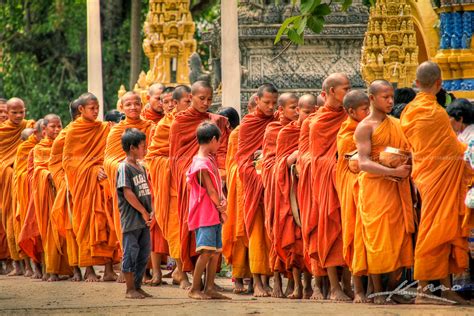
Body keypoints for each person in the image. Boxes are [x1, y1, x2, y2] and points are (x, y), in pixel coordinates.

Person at [400, 61, 472, 305]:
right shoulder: (436, 113)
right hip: (439, 176)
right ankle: (422, 291)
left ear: (417, 83)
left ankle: (445, 289)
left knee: (439, 229)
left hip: (426, 176)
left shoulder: (409, 111)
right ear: (439, 84)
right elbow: (453, 149)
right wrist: (468, 150)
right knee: (434, 230)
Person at [355, 80, 415, 304]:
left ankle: (392, 289)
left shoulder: (397, 123)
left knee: (398, 238)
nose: (390, 101)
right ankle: (377, 290)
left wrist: (405, 167)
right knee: (377, 238)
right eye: (385, 97)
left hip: (397, 188)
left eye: (392, 97)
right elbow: (363, 163)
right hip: (375, 187)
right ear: (371, 98)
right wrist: (394, 171)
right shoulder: (365, 127)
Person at [103, 91, 164, 285]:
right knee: (129, 234)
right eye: (128, 104)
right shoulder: (116, 131)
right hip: (128, 186)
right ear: (121, 107)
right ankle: (128, 274)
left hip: (147, 185)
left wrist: (146, 164)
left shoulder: (150, 126)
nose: (133, 108)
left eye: (137, 103)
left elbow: (153, 152)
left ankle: (143, 273)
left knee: (146, 235)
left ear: (142, 104)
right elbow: (109, 160)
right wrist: (130, 166)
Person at [169, 81, 230, 274]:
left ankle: (208, 280)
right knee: (195, 231)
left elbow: (222, 150)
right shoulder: (179, 122)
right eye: (201, 98)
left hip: (210, 177)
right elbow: (175, 157)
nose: (206, 103)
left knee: (211, 237)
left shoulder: (215, 121)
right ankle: (190, 276)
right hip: (193, 182)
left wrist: (219, 172)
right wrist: (194, 172)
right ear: (190, 98)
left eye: (209, 99)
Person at [63, 92, 119, 282]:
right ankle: (89, 270)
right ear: (81, 109)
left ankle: (109, 268)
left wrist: (104, 167)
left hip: (103, 185)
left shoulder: (103, 128)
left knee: (108, 225)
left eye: (97, 108)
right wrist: (93, 170)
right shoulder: (73, 131)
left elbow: (109, 152)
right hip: (84, 186)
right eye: (92, 108)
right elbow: (70, 162)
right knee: (86, 226)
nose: (96, 112)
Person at [307, 73, 351, 301]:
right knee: (330, 232)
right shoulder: (317, 122)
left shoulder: (350, 116)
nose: (349, 91)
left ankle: (349, 285)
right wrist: (338, 163)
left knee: (349, 232)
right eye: (346, 88)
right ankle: (334, 287)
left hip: (348, 182)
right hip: (327, 183)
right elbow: (317, 159)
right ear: (332, 91)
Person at [145, 85, 192, 289]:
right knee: (176, 228)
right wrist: (176, 165)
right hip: (171, 184)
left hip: (194, 184)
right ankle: (181, 272)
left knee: (194, 230)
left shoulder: (201, 122)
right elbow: (153, 157)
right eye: (186, 102)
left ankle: (190, 272)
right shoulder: (165, 125)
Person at [235, 83, 278, 297]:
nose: (271, 107)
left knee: (271, 234)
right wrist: (256, 174)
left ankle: (267, 280)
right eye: (267, 102)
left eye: (274, 103)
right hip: (254, 183)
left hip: (271, 183)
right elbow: (242, 159)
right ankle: (257, 281)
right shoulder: (249, 123)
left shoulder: (277, 122)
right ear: (257, 101)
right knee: (257, 233)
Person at [273, 93, 317, 299]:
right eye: (307, 112)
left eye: (314, 112)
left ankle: (309, 285)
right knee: (295, 241)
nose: (311, 116)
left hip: (310, 190)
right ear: (298, 111)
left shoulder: (317, 130)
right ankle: (298, 285)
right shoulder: (286, 133)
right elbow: (277, 166)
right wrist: (290, 160)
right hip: (291, 192)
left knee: (309, 236)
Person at [186, 122, 230, 300]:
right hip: (206, 214)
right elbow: (211, 190)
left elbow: (216, 188)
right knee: (205, 252)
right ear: (213, 140)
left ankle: (210, 287)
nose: (219, 145)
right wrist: (221, 207)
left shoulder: (208, 160)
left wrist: (222, 199)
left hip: (213, 213)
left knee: (214, 252)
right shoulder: (201, 164)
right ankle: (195, 289)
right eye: (219, 142)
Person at [335, 90, 370, 303]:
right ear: (351, 112)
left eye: (369, 108)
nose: (368, 112)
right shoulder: (347, 133)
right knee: (356, 237)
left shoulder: (370, 127)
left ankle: (375, 288)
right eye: (364, 109)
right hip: (352, 189)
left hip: (371, 188)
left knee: (371, 238)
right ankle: (358, 289)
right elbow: (354, 164)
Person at [262, 93, 298, 298]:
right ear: (281, 110)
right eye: (292, 108)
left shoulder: (300, 129)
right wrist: (287, 161)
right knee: (277, 232)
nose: (296, 112)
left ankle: (294, 283)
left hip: (294, 188)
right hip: (276, 188)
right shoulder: (273, 130)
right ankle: (276, 280)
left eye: (297, 108)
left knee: (294, 236)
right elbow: (268, 164)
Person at [32, 114, 73, 282]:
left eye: (59, 126)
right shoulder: (39, 149)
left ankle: (72, 270)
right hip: (48, 194)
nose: (57, 130)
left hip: (64, 192)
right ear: (44, 130)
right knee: (51, 232)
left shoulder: (65, 146)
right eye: (53, 127)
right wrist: (49, 174)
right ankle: (53, 270)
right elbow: (37, 170)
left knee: (67, 229)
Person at [116, 128, 153, 299]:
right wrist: (144, 212)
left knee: (144, 252)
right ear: (132, 148)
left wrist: (150, 211)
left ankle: (137, 286)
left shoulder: (140, 166)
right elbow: (127, 192)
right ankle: (130, 289)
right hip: (132, 219)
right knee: (130, 253)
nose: (145, 149)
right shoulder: (124, 167)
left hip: (144, 219)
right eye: (143, 146)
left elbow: (145, 191)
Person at [220, 105, 253, 294]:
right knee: (238, 234)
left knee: (254, 234)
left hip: (253, 185)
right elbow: (232, 164)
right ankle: (238, 278)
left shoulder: (252, 131)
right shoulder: (234, 136)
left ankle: (255, 279)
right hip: (236, 189)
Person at [0, 98, 34, 276]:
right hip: (7, 181)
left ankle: (30, 265)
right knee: (11, 221)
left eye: (21, 112)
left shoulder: (30, 126)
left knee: (25, 220)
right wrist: (7, 168)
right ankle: (18, 264)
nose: (19, 116)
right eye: (14, 112)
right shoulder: (2, 132)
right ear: (8, 111)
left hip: (25, 180)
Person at [49, 100, 82, 282]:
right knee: (71, 229)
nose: (56, 129)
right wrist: (66, 182)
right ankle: (77, 269)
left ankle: (102, 267)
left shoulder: (97, 131)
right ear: (80, 111)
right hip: (68, 188)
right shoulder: (65, 135)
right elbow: (55, 164)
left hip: (89, 187)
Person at [12, 126, 41, 278]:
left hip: (40, 194)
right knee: (28, 232)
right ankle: (29, 267)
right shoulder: (24, 150)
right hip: (24, 197)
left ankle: (43, 267)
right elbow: (20, 174)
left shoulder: (42, 147)